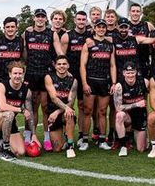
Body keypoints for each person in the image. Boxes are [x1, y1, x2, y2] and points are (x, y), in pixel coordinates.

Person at [0, 61, 37, 161]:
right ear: (10, 74)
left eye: (20, 73)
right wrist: (21, 109)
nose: (17, 76)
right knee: (9, 113)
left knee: (20, 152)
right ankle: (5, 149)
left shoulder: (26, 91)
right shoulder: (1, 86)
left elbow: (29, 114)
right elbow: (1, 107)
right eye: (15, 73)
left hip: (10, 123)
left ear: (23, 74)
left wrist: (33, 135)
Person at [79, 19, 116, 150]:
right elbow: (82, 66)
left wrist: (113, 83)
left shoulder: (110, 45)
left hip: (104, 82)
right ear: (94, 28)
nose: (101, 29)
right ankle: (84, 140)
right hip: (91, 81)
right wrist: (84, 83)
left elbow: (112, 65)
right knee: (88, 111)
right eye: (99, 27)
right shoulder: (88, 44)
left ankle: (102, 140)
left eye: (103, 27)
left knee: (102, 111)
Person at [22, 8, 54, 152]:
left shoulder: (51, 34)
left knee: (46, 107)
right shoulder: (27, 33)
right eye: (38, 16)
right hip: (31, 74)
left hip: (45, 74)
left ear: (46, 19)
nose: (40, 19)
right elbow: (22, 51)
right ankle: (28, 136)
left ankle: (47, 138)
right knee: (31, 107)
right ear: (34, 18)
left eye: (43, 17)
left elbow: (58, 50)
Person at [58, 10, 91, 144]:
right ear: (75, 20)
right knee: (66, 104)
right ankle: (66, 135)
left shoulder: (90, 35)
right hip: (70, 75)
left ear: (86, 21)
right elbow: (61, 56)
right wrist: (66, 72)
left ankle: (82, 135)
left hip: (85, 75)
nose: (81, 22)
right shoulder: (67, 36)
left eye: (84, 19)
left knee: (83, 106)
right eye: (79, 19)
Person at [44, 55, 78, 158]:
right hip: (52, 112)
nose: (61, 66)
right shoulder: (49, 77)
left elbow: (71, 101)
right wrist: (58, 111)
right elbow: (54, 98)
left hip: (63, 112)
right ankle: (65, 136)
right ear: (55, 66)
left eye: (64, 64)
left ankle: (70, 146)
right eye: (59, 64)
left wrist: (59, 111)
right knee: (57, 148)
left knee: (69, 113)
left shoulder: (74, 80)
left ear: (68, 65)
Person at [113, 61, 149, 156]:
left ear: (136, 72)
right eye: (128, 73)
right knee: (119, 116)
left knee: (141, 149)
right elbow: (118, 108)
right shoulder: (119, 86)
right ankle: (123, 146)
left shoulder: (144, 82)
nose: (130, 75)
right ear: (124, 73)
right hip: (127, 115)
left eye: (132, 72)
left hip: (140, 115)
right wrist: (136, 104)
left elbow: (145, 101)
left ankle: (140, 135)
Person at [0, 16, 24, 107]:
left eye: (12, 27)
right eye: (7, 27)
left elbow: (24, 59)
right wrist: (1, 65)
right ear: (4, 28)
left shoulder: (21, 41)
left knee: (12, 101)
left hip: (14, 77)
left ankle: (12, 120)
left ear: (16, 28)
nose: (10, 29)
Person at [129, 3, 155, 79]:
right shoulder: (125, 26)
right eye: (133, 11)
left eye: (137, 11)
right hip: (129, 63)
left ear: (141, 13)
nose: (135, 13)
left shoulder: (147, 25)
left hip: (144, 63)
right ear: (129, 13)